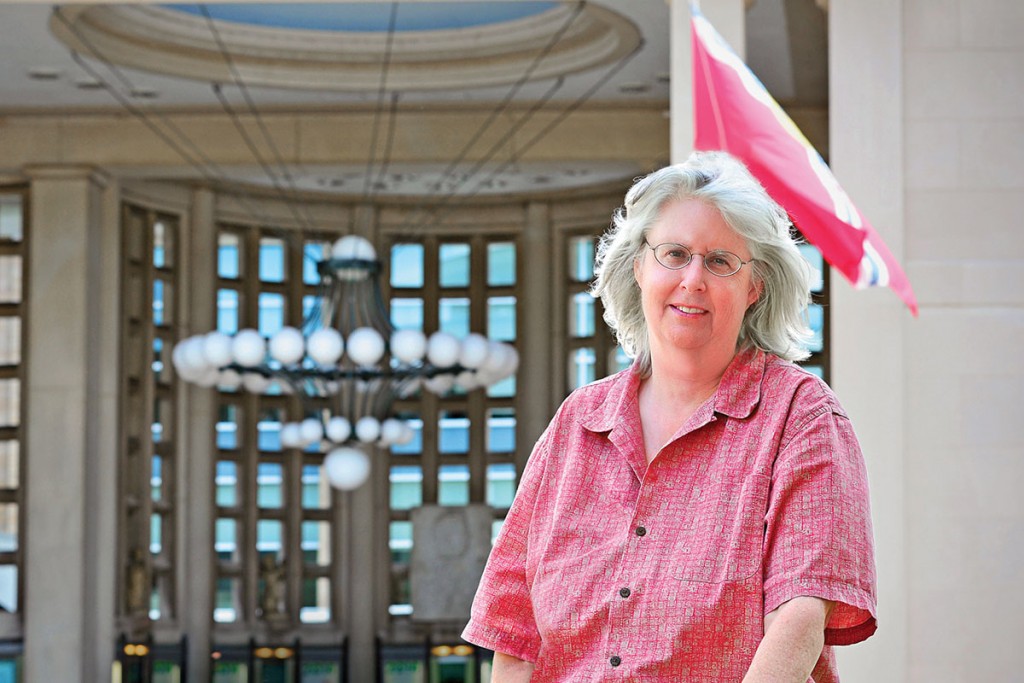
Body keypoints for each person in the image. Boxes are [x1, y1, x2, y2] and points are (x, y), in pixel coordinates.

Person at [462, 151, 877, 682]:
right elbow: (514, 636)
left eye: (721, 261)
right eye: (675, 254)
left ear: (755, 288)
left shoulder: (802, 416)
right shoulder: (577, 422)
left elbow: (798, 619)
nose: (693, 279)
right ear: (638, 268)